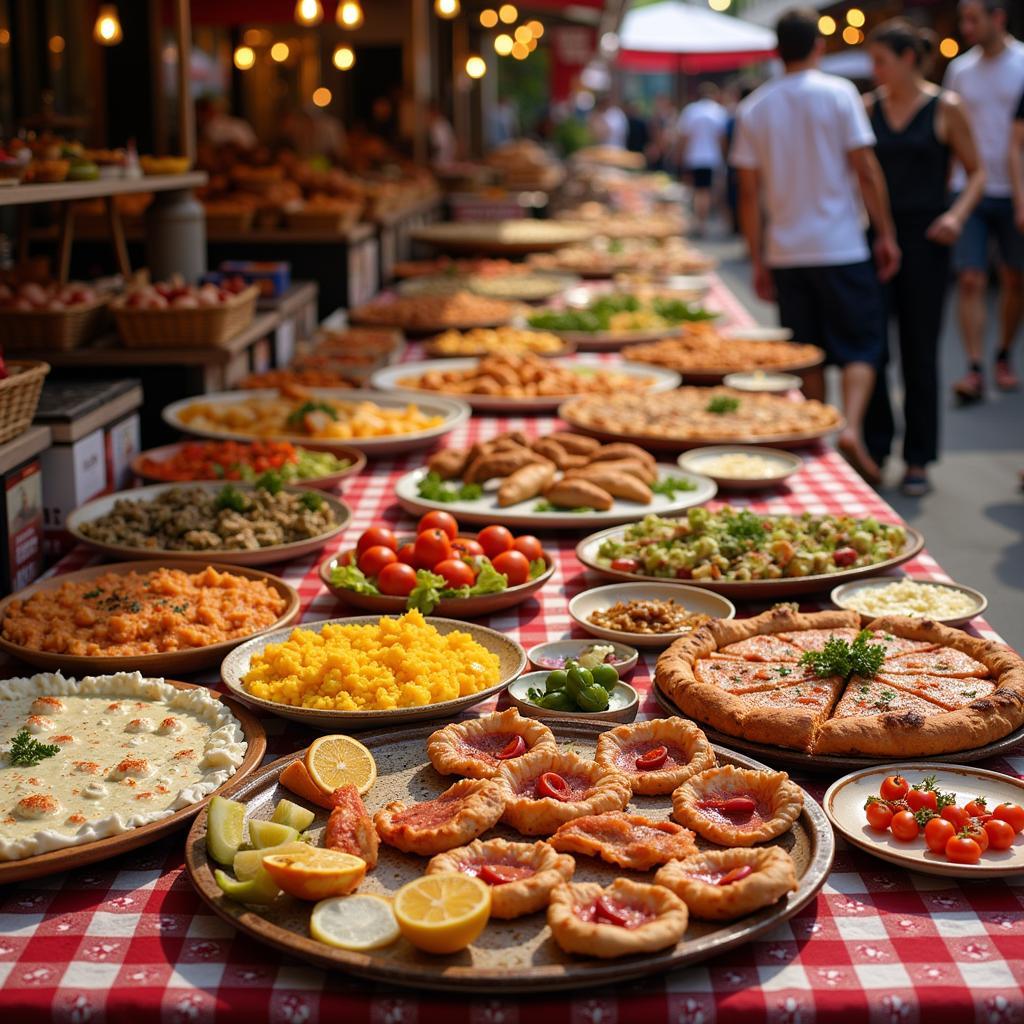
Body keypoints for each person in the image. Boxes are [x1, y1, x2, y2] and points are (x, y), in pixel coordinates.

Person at [731, 7, 901, 484]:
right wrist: (886, 233)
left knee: (808, 353)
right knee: (861, 347)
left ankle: (821, 435)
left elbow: (748, 193)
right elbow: (865, 169)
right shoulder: (840, 93)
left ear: (776, 51)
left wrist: (757, 255)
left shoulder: (755, 107)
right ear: (819, 46)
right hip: (842, 244)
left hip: (787, 249)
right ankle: (850, 427)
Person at [861, 20, 986, 497]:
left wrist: (956, 216)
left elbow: (977, 173)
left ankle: (918, 457)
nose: (874, 71)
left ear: (908, 58)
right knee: (873, 348)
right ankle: (875, 446)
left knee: (919, 349)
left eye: (881, 61)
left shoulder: (945, 107)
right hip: (875, 239)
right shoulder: (868, 107)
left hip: (928, 238)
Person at [943, 0, 1024, 401]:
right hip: (969, 186)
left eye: (974, 18)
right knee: (971, 278)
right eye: (964, 18)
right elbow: (949, 128)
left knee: (1014, 278)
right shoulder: (960, 69)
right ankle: (975, 367)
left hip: (1015, 189)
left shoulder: (1022, 62)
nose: (966, 26)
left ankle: (1004, 352)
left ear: (999, 17)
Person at [676, 84, 728, 237]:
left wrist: (681, 155)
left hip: (694, 156)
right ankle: (703, 221)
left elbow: (684, 136)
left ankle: (700, 222)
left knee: (699, 191)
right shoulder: (718, 111)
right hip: (712, 157)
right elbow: (722, 138)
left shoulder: (691, 110)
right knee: (706, 191)